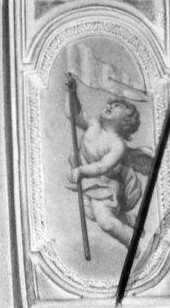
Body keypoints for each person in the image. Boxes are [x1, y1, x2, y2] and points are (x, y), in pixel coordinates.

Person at [65, 74, 152, 248]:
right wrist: (71, 93)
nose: (110, 106)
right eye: (110, 104)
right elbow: (74, 114)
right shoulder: (93, 125)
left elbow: (103, 166)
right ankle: (128, 219)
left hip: (106, 187)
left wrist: (81, 171)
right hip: (89, 182)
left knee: (106, 222)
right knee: (93, 214)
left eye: (116, 106)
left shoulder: (118, 144)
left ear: (126, 120)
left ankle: (135, 245)